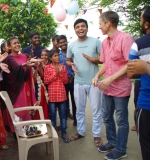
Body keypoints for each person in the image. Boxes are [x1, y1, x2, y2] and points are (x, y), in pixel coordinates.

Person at [92, 11, 134, 160]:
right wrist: (97, 75)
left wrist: (110, 79)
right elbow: (106, 63)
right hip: (107, 87)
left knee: (121, 120)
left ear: (108, 23)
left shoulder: (125, 38)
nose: (99, 27)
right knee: (107, 117)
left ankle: (121, 149)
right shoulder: (104, 42)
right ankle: (112, 142)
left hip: (121, 87)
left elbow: (130, 64)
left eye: (100, 24)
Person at [66, 19, 103, 147]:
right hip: (78, 82)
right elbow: (68, 60)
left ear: (87, 28)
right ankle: (80, 132)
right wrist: (72, 64)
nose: (80, 29)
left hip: (94, 81)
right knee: (79, 109)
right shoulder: (72, 45)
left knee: (96, 109)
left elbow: (104, 58)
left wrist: (93, 59)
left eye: (83, 26)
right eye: (77, 27)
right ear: (74, 30)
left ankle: (96, 134)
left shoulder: (96, 42)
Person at [2, 36, 37, 148]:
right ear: (9, 47)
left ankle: (27, 135)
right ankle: (17, 139)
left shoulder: (23, 56)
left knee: (25, 112)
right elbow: (10, 74)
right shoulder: (8, 58)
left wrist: (31, 66)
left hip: (24, 88)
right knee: (16, 113)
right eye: (14, 43)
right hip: (14, 90)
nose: (17, 45)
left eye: (18, 43)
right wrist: (24, 66)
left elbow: (26, 74)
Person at [127, 6, 150, 160]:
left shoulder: (139, 44)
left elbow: (131, 72)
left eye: (141, 18)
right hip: (145, 103)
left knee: (146, 145)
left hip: (147, 103)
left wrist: (145, 68)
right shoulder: (138, 43)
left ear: (146, 23)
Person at [44, 50, 70, 143]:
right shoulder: (47, 68)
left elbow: (65, 81)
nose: (58, 57)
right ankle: (53, 133)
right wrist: (56, 73)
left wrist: (61, 73)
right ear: (50, 58)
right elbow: (46, 81)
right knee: (53, 115)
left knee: (63, 115)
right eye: (55, 56)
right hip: (52, 95)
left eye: (58, 56)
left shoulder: (63, 67)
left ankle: (64, 133)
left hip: (61, 94)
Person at [58, 35, 76, 126]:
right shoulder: (57, 55)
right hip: (62, 81)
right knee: (64, 100)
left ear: (66, 41)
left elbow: (76, 63)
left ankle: (76, 119)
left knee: (74, 100)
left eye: (64, 41)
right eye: (60, 43)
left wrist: (72, 75)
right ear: (58, 44)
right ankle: (65, 117)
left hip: (73, 79)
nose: (63, 44)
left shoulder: (72, 52)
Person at [32, 49, 49, 120]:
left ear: (49, 56)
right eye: (42, 55)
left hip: (49, 87)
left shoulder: (50, 64)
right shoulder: (38, 64)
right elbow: (40, 77)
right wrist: (38, 67)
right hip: (40, 88)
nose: (44, 57)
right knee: (41, 104)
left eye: (45, 55)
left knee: (49, 107)